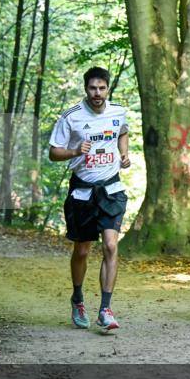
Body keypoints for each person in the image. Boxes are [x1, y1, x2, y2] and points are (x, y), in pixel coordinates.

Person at [48, 66, 130, 334]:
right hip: (82, 191)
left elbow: (123, 132)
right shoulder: (71, 117)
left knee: (109, 246)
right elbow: (53, 153)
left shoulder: (117, 112)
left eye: (102, 88)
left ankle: (105, 309)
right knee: (82, 250)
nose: (97, 93)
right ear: (86, 89)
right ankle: (78, 299)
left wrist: (124, 154)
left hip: (111, 189)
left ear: (108, 89)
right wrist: (74, 150)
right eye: (93, 88)